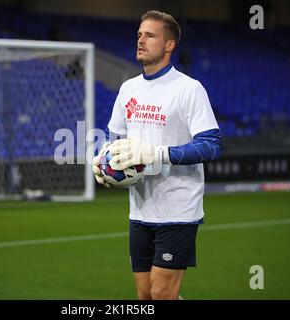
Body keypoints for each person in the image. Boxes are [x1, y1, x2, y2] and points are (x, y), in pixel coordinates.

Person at [92, 10, 222, 300]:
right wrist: (103, 161)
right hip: (139, 209)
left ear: (169, 45)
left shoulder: (189, 89)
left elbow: (211, 146)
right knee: (146, 297)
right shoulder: (128, 89)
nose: (141, 39)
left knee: (162, 294)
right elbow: (116, 140)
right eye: (139, 34)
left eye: (150, 35)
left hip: (178, 210)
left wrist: (156, 154)